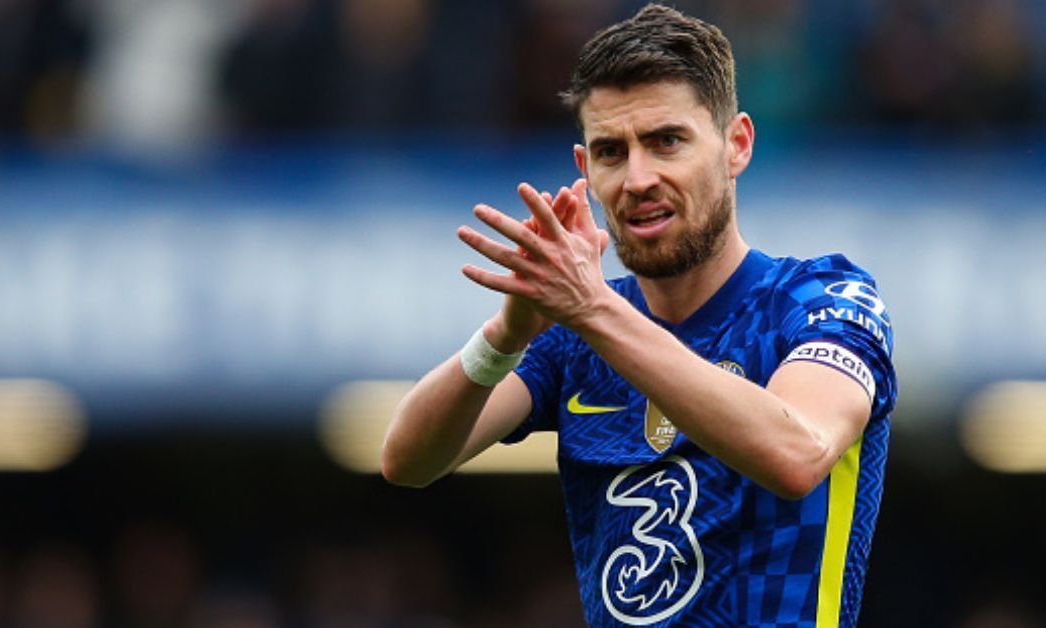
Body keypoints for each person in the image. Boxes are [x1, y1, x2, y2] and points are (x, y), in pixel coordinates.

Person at [381, 4, 897, 627]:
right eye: (611, 152)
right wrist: (505, 336)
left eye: (666, 141)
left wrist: (593, 310)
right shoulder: (575, 334)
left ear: (736, 145)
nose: (638, 177)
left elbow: (795, 453)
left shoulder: (822, 299)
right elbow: (407, 459)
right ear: (585, 170)